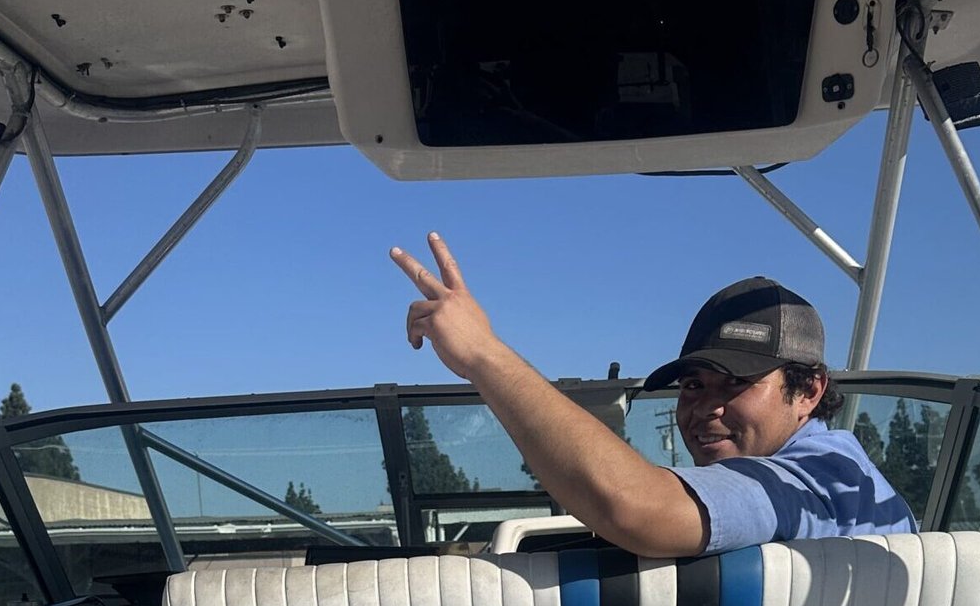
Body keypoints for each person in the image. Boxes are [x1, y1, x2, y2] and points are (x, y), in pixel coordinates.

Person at [392, 232, 916, 557]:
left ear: (809, 391)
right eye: (693, 384)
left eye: (737, 382)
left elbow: (634, 509)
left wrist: (483, 355)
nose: (706, 407)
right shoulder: (847, 475)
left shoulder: (814, 483)